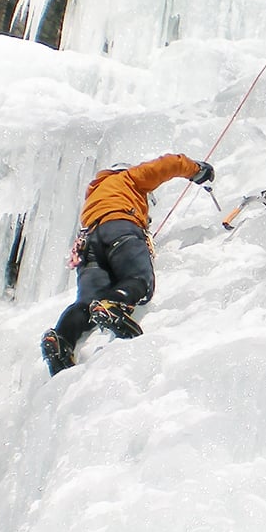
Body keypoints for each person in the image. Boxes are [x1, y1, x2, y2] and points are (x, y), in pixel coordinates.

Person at [40, 154, 214, 375]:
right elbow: (167, 165)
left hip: (89, 242)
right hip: (120, 229)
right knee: (140, 280)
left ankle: (62, 338)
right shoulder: (129, 178)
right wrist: (197, 169)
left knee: (86, 302)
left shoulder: (94, 196)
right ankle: (114, 305)